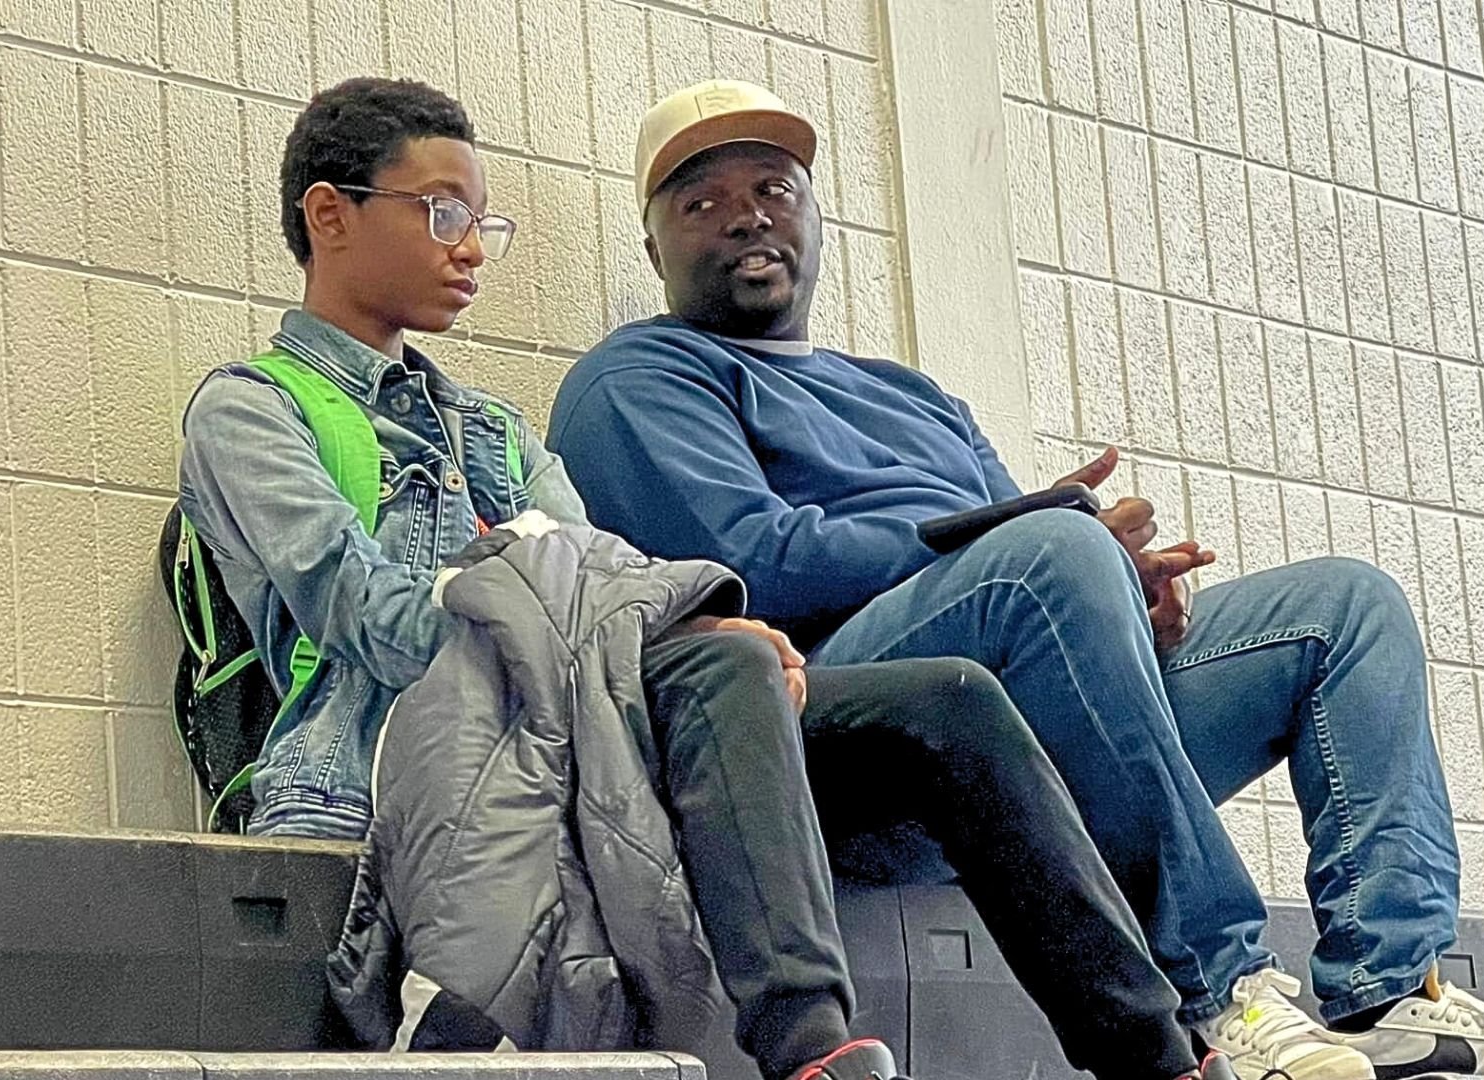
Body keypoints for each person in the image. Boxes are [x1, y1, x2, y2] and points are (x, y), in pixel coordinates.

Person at [548, 79, 1484, 1080]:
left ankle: (1389, 994)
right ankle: (1217, 993)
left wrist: (1124, 594)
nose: (746, 217)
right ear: (653, 244)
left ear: (819, 221)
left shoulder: (912, 397)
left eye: (774, 190)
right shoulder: (638, 376)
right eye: (702, 202)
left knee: (1341, 607)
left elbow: (1025, 575)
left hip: (1023, 751)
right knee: (1053, 553)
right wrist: (1027, 537)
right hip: (839, 737)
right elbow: (747, 564)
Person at [177, 76, 1219, 1080]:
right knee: (719, 669)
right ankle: (814, 1050)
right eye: (444, 210)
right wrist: (596, 608)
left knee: (941, 698)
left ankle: (1159, 1056)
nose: (469, 250)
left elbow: (610, 580)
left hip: (585, 737)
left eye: (483, 224)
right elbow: (369, 617)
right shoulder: (253, 411)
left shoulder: (495, 430)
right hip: (389, 770)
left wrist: (695, 622)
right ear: (331, 216)